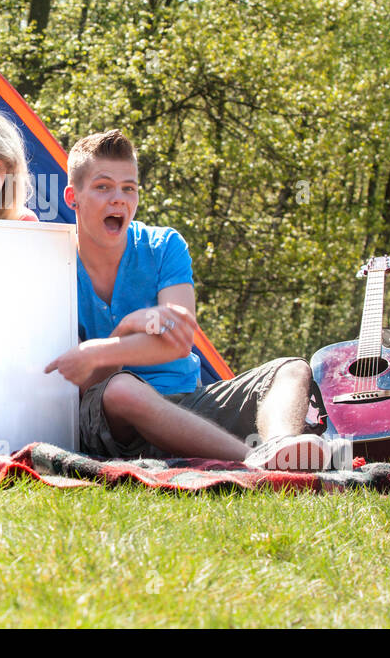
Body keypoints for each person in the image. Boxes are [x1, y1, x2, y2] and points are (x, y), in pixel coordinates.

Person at [43, 129, 330, 470]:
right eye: (103, 186)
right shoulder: (52, 264)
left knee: (292, 369)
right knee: (121, 389)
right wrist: (124, 331)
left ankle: (281, 446)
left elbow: (178, 342)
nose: (119, 199)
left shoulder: (165, 245)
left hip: (190, 407)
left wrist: (99, 349)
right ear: (72, 197)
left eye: (129, 188)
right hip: (112, 422)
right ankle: (255, 462)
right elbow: (81, 381)